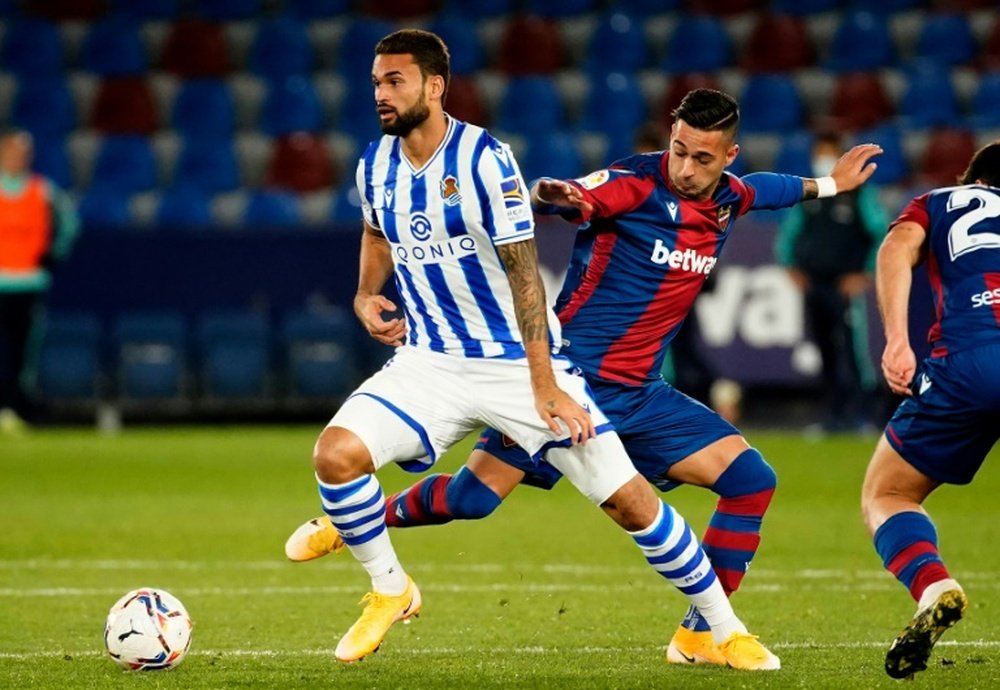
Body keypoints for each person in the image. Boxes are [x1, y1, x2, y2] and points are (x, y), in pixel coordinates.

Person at [291, 78, 880, 667]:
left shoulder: (729, 197)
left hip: (641, 393)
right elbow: (580, 194)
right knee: (472, 500)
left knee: (752, 481)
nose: (686, 168)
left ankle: (700, 635)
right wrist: (558, 194)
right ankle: (354, 521)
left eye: (703, 158)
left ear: (728, 158)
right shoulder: (635, 183)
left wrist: (830, 185)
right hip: (566, 384)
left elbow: (768, 190)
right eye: (679, 150)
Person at [861, 141, 1000, 679]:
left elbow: (896, 247)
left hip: (967, 363)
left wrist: (897, 339)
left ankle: (934, 587)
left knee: (889, 493)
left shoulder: (940, 201)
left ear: (973, 182)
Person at [775, 131, 889, 432]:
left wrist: (864, 272)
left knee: (854, 351)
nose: (822, 160)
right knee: (824, 349)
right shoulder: (810, 193)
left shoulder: (860, 194)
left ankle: (863, 415)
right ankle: (832, 416)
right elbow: (789, 234)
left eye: (829, 153)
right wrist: (790, 267)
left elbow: (880, 233)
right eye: (820, 153)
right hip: (815, 284)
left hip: (845, 285)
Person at [0, 129, 79, 434]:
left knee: (25, 351)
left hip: (30, 283)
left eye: (22, 153)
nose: (17, 158)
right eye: (11, 152)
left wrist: (53, 255)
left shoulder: (43, 191)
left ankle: (19, 405)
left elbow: (70, 224)